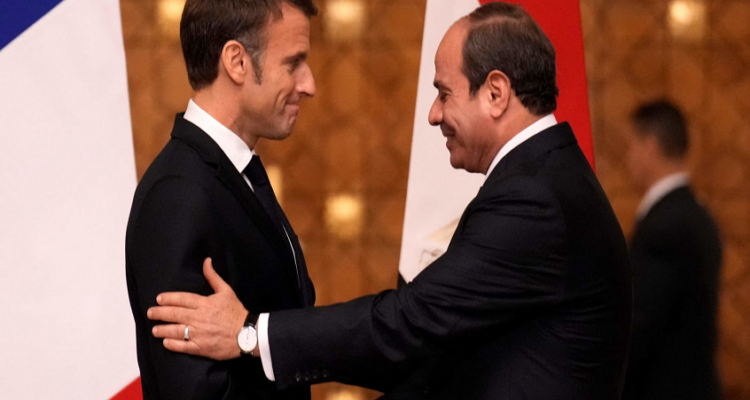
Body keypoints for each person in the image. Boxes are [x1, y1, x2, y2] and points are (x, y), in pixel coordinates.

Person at [147, 3, 633, 399]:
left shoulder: (535, 198)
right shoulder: (179, 191)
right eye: (294, 63)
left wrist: (250, 333)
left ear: (496, 93)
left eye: (444, 93)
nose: (433, 114)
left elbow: (411, 324)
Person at [125, 0, 318, 398]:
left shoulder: (230, 173)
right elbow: (191, 390)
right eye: (293, 63)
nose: (309, 84)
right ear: (237, 62)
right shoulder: (177, 194)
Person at [621, 100, 723, 400]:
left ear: (650, 147)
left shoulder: (665, 227)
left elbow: (639, 327)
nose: (627, 158)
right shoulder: (699, 216)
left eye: (630, 146)